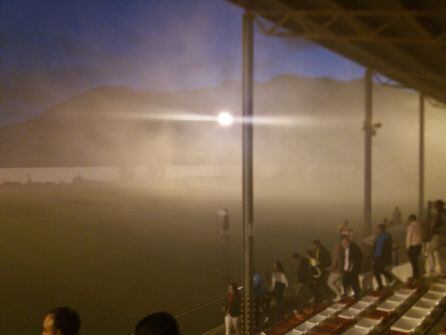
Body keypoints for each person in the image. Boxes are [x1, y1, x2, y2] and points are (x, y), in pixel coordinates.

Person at [372, 224, 394, 289]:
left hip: (381, 257)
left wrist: (388, 259)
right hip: (377, 257)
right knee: (379, 270)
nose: (377, 230)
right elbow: (375, 247)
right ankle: (390, 279)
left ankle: (381, 285)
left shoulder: (386, 237)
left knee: (376, 271)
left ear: (381, 229)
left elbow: (388, 249)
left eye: (378, 229)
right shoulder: (378, 237)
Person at [406, 214, 423, 280]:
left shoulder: (410, 226)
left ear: (411, 219)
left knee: (413, 261)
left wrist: (407, 247)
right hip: (419, 245)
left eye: (409, 219)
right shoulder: (420, 225)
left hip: (412, 246)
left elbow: (409, 237)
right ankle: (416, 275)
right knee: (415, 261)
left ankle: (415, 276)